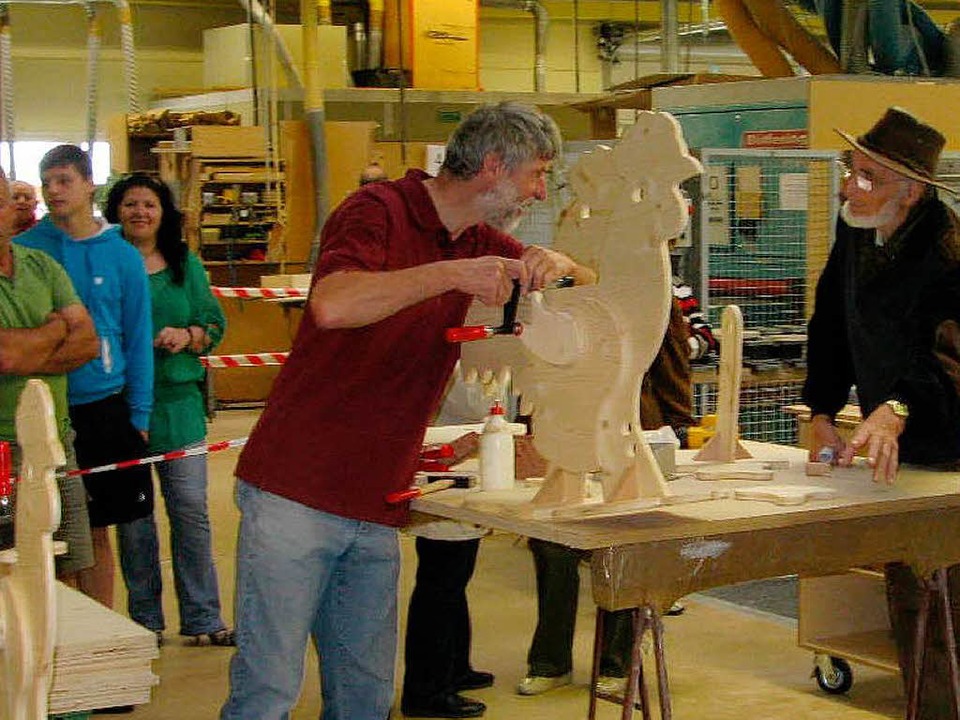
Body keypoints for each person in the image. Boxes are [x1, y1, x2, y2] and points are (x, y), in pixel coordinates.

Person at [220, 101, 593, 720]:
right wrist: (450, 275)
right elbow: (335, 305)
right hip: (296, 491)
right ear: (494, 166)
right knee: (267, 690)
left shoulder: (478, 238)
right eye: (536, 174)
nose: (540, 190)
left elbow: (587, 280)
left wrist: (562, 264)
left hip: (379, 501)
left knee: (365, 695)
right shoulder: (378, 211)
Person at [803, 106, 960, 718]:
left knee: (946, 608)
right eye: (851, 168)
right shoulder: (856, 231)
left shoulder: (947, 253)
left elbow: (949, 360)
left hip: (949, 453)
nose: (849, 186)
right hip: (890, 450)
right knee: (912, 607)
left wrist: (897, 407)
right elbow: (831, 325)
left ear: (912, 191)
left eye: (867, 176)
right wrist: (820, 407)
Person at [518, 295, 699, 698]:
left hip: (629, 433)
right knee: (551, 544)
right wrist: (528, 426)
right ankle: (549, 662)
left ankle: (617, 663)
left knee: (622, 546)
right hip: (570, 431)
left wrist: (679, 425)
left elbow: (669, 361)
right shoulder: (563, 297)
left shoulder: (650, 293)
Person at [15, 145, 160, 638]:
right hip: (40, 407)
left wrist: (138, 412)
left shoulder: (121, 255)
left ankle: (99, 639)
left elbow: (137, 336)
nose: (53, 191)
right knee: (44, 537)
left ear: (87, 185)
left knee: (98, 533)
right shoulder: (29, 249)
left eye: (63, 181)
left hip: (104, 408)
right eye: (46, 181)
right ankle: (55, 639)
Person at [103, 173, 234, 646]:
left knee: (191, 514)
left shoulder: (186, 265)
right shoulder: (107, 262)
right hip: (121, 410)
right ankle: (144, 623)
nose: (140, 212)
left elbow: (214, 324)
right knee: (135, 524)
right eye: (131, 204)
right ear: (116, 210)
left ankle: (203, 617)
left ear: (164, 213)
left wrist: (189, 336)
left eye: (150, 205)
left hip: (178, 407)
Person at [0, 166, 99, 586]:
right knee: (10, 567)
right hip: (3, 451)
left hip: (57, 442)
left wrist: (28, 351)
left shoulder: (41, 265)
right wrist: (57, 329)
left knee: (68, 564)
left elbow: (89, 343)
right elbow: (6, 356)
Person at [401, 363, 507, 719]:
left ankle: (456, 667)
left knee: (454, 579)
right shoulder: (449, 355)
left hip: (472, 469)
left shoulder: (481, 353)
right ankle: (427, 690)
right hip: (443, 474)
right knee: (439, 585)